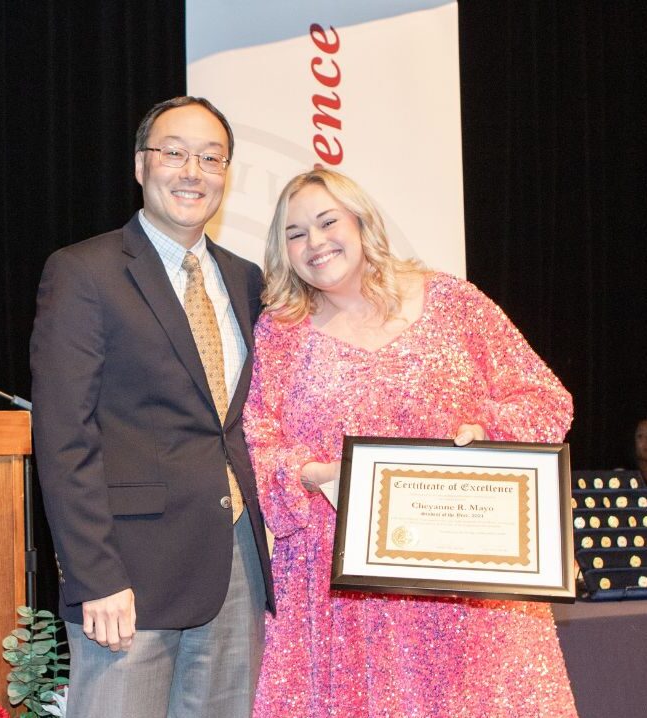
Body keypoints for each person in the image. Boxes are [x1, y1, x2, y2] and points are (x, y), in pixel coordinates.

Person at [244, 168, 577, 717]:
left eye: (328, 221)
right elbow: (255, 443)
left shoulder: (452, 302)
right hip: (336, 594)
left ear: (361, 221)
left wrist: (488, 435)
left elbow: (544, 399)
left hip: (468, 579)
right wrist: (311, 473)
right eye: (294, 233)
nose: (315, 242)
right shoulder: (281, 331)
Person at [30, 96, 273, 718]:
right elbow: (64, 436)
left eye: (211, 158)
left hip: (235, 560)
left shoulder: (247, 279)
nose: (193, 170)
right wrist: (94, 576)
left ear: (226, 174)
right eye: (174, 153)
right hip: (128, 575)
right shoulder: (84, 271)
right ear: (141, 165)